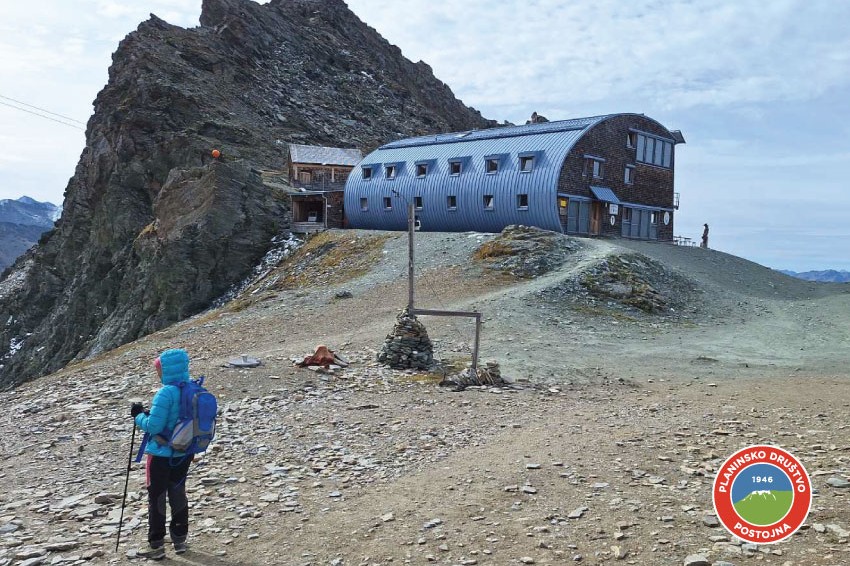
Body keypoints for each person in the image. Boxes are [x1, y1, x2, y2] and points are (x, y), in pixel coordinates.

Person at [131, 349, 195, 560]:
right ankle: (180, 540)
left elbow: (154, 426)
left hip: (160, 455)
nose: (158, 372)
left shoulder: (165, 393)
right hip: (184, 452)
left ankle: (156, 545)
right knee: (178, 493)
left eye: (159, 368)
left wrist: (138, 416)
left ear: (165, 370)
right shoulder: (194, 389)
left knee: (157, 497)